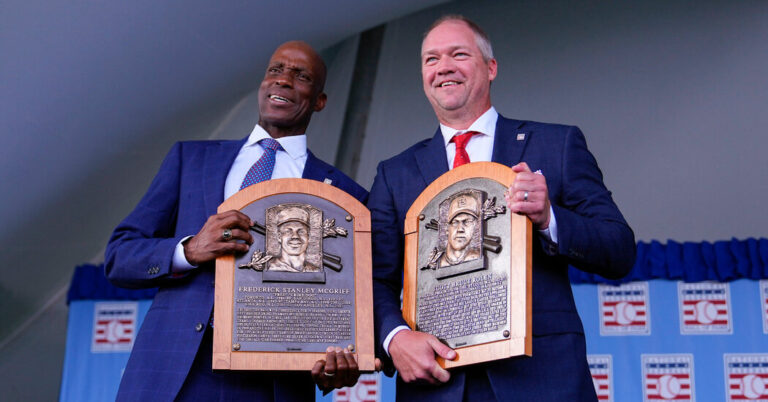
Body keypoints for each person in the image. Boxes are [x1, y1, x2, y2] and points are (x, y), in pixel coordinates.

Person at [368, 15, 636, 401]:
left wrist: (549, 219)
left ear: (490, 67)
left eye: (458, 54)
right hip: (437, 385)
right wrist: (395, 338)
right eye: (431, 59)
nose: (443, 67)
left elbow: (619, 249)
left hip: (541, 380)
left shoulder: (555, 145)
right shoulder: (395, 174)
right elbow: (377, 279)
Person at [105, 41, 368, 401]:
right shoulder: (190, 158)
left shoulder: (346, 196)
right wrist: (191, 249)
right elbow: (120, 255)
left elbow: (346, 310)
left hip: (272, 385)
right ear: (262, 84)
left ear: (320, 100)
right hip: (172, 372)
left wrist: (338, 359)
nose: (284, 81)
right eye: (275, 70)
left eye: (301, 76)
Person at [268, 206, 321, 272]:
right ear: (279, 237)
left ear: (308, 237)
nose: (295, 236)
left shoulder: (315, 271)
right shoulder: (271, 267)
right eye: (288, 231)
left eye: (301, 231)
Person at [439, 192, 482, 267]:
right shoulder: (437, 262)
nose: (460, 229)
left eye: (467, 222)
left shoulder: (477, 256)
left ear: (475, 227)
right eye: (455, 222)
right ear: (447, 228)